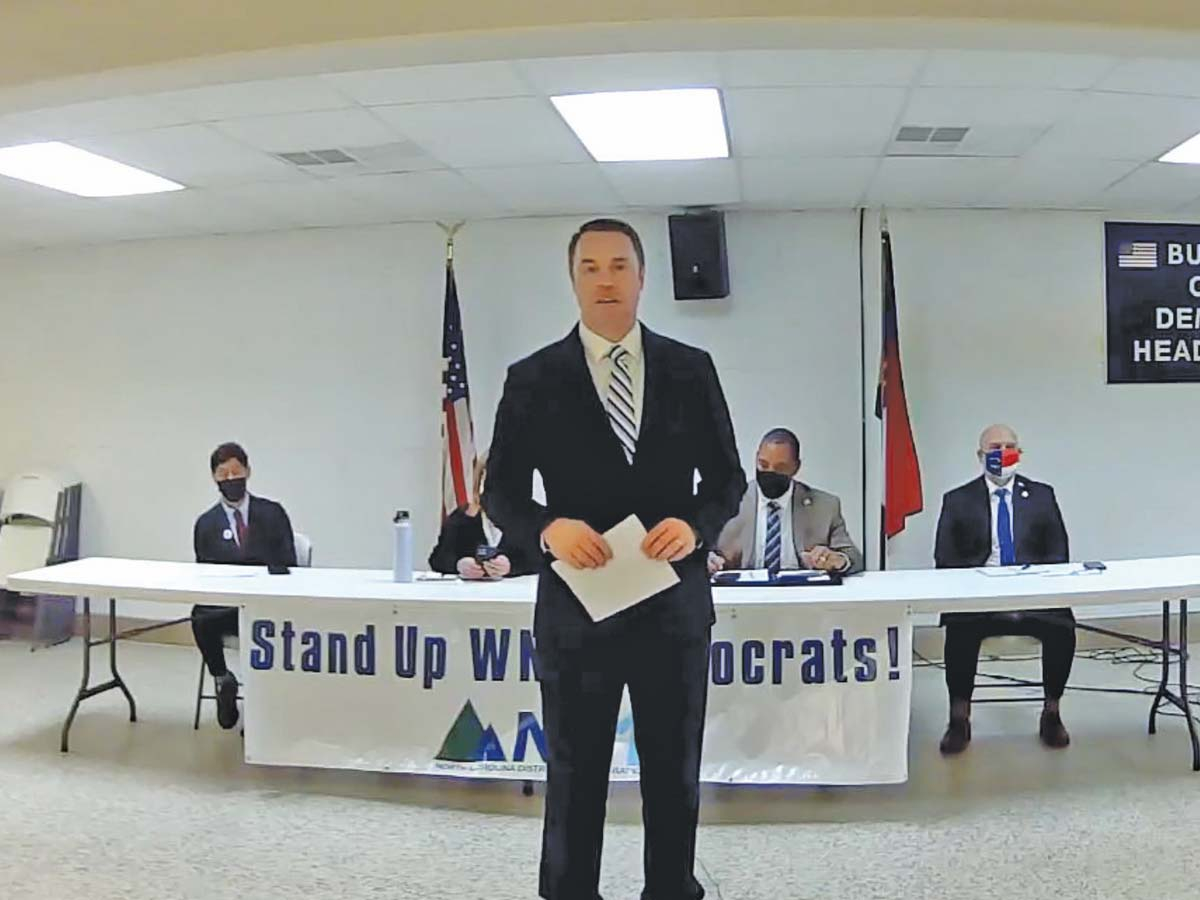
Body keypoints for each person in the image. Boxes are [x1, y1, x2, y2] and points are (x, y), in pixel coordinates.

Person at [484, 218, 745, 900]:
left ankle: (671, 890)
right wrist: (547, 530)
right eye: (591, 267)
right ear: (573, 279)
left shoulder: (691, 369)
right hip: (578, 610)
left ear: (642, 276)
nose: (606, 279)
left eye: (619, 265)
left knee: (672, 768)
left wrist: (695, 525)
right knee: (575, 771)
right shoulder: (533, 377)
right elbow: (501, 494)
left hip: (673, 607)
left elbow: (727, 480)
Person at [934, 424, 1073, 755]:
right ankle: (959, 717)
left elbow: (1059, 553)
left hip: (1032, 596)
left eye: (1010, 446)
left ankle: (1051, 712)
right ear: (980, 455)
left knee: (1063, 627)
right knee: (959, 630)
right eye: (995, 446)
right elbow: (945, 558)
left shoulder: (1042, 495)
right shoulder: (957, 500)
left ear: (1020, 453)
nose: (1003, 452)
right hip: (980, 598)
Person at [192, 442, 296, 729]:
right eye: (223, 474)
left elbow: (289, 562)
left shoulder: (273, 513)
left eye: (236, 472)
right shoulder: (205, 524)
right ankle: (223, 679)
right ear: (214, 478)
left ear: (248, 472)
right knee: (200, 617)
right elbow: (204, 574)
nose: (230, 480)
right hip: (227, 608)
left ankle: (265, 704)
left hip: (267, 605)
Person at [710, 427, 863, 575]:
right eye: (763, 464)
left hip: (804, 594)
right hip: (742, 594)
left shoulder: (825, 506)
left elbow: (854, 558)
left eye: (780, 468)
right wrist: (708, 559)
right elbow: (701, 549)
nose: (770, 472)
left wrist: (837, 560)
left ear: (795, 468)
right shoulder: (728, 501)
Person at [428, 451, 537, 578]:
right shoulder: (463, 517)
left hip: (518, 595)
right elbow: (437, 559)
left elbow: (546, 560)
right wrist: (458, 565)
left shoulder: (532, 515)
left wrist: (512, 566)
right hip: (473, 594)